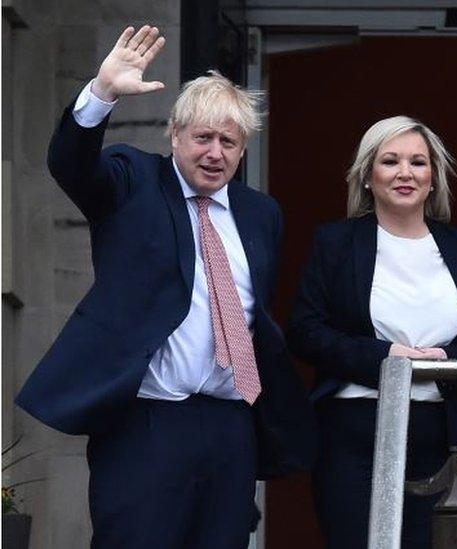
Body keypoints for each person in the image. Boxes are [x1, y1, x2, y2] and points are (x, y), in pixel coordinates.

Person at [14, 25, 315, 548]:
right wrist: (101, 93)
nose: (215, 153)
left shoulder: (260, 213)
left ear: (242, 150)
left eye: (229, 142)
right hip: (147, 422)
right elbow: (72, 165)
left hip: (229, 424)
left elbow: (253, 312)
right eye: (203, 138)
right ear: (174, 135)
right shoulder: (134, 180)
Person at [287, 115, 457, 548]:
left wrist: (446, 360)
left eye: (418, 163)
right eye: (390, 161)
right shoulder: (335, 243)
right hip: (355, 430)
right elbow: (305, 331)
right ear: (368, 175)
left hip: (440, 436)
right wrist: (387, 358)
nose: (405, 173)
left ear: (433, 178)